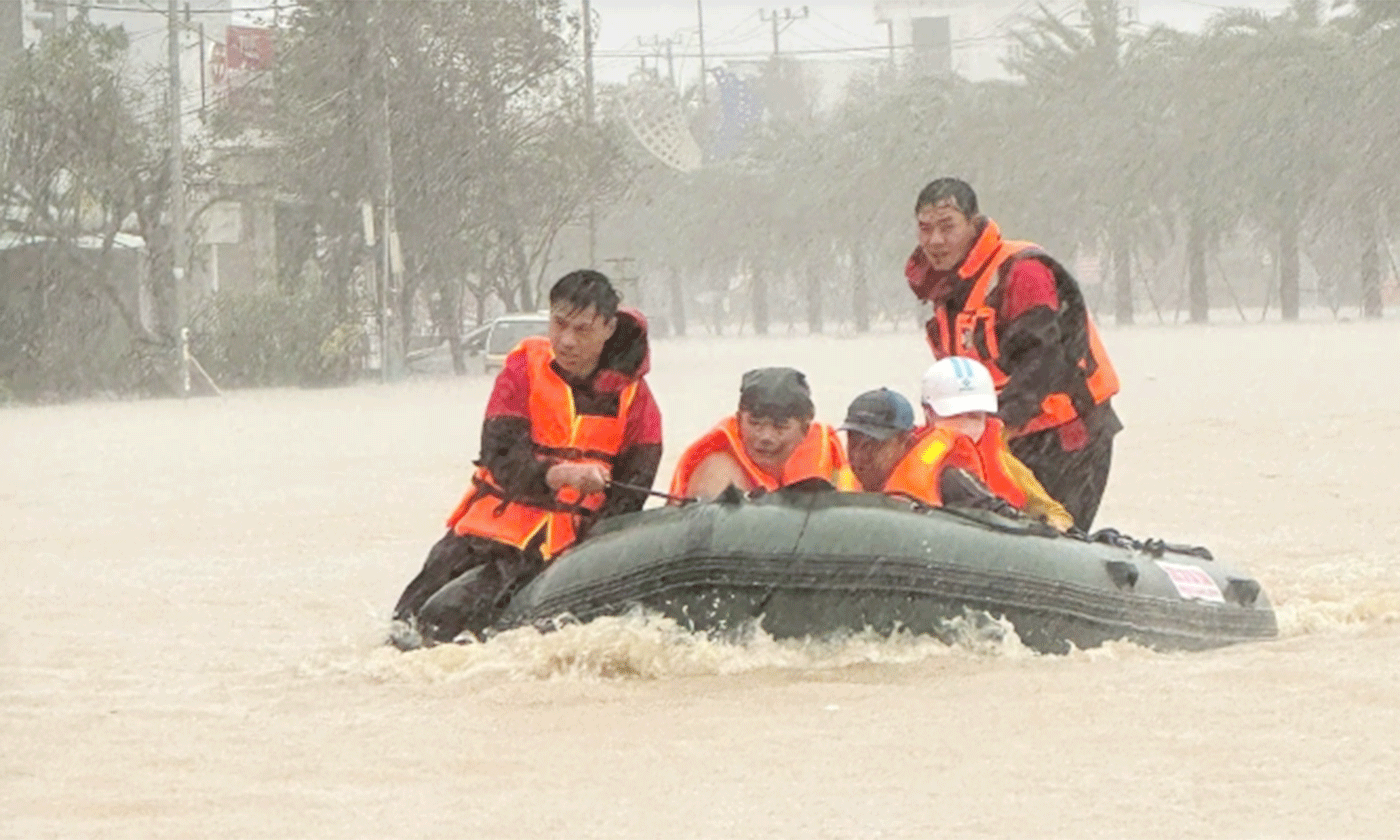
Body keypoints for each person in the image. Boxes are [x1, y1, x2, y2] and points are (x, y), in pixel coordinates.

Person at [390, 270, 663, 648]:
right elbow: (500, 454)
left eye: (582, 330)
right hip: (483, 532)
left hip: (557, 552)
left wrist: (587, 560)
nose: (566, 340)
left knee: (453, 620)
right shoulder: (522, 369)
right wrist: (560, 474)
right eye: (559, 323)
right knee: (410, 622)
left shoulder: (638, 403)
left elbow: (632, 495)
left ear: (608, 328)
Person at [906, 177, 1121, 530]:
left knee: (1055, 536)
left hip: (1066, 433)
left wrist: (1002, 424)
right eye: (925, 229)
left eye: (947, 227)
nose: (935, 241)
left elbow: (1043, 357)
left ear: (974, 226)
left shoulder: (1022, 272)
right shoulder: (947, 291)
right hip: (1000, 436)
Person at [919, 357, 1074, 531]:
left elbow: (1054, 512)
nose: (964, 424)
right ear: (928, 412)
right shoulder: (923, 455)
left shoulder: (1004, 462)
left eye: (974, 416)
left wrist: (1052, 525)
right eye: (954, 414)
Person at [669, 366, 854, 501]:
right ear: (739, 419)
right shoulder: (718, 473)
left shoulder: (829, 459)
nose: (765, 437)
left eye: (780, 426)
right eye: (755, 424)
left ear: (805, 429)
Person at [839, 387, 1022, 517]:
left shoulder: (950, 481)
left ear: (906, 442)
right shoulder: (840, 488)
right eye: (853, 443)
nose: (859, 456)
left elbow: (1003, 521)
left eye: (873, 445)